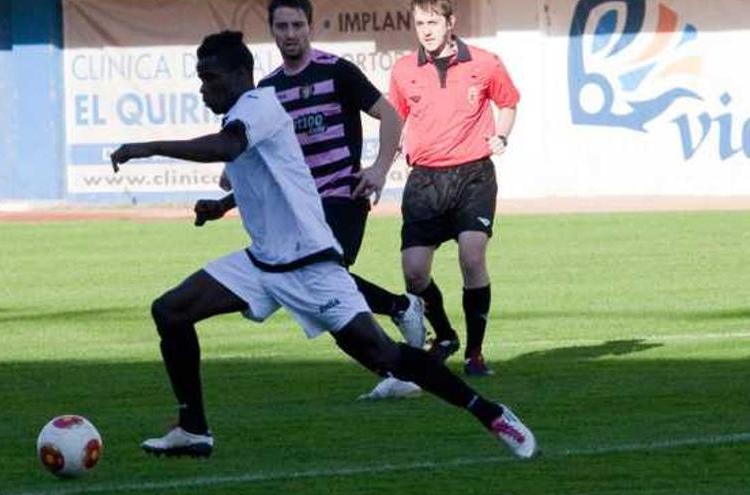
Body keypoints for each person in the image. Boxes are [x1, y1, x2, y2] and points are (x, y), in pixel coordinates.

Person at [110, 30, 536, 460]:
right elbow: (273, 177)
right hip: (262, 264)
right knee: (170, 310)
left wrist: (148, 147)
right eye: (200, 79)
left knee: (386, 356)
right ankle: (194, 429)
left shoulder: (256, 106)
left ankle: (490, 412)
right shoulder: (247, 112)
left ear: (241, 74)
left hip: (312, 267)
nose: (203, 88)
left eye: (209, 77)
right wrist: (223, 205)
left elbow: (228, 146)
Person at [196, 0, 426, 399]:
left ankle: (399, 329)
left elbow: (391, 116)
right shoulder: (267, 90)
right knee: (319, 287)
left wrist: (378, 169)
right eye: (282, 26)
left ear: (310, 26)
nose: (290, 33)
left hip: (342, 192)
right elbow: (267, 168)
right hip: (298, 206)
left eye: (297, 25)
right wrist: (226, 202)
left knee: (320, 277)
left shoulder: (336, 71)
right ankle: (398, 332)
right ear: (272, 30)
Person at [389, 0, 520, 375]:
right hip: (425, 180)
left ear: (450, 22)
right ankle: (445, 335)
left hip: (473, 176)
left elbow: (508, 103)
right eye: (419, 23)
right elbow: (395, 117)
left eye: (432, 21)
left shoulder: (484, 62)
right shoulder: (402, 70)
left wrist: (502, 136)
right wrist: (390, 151)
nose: (426, 30)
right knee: (414, 273)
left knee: (472, 256)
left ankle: (474, 353)